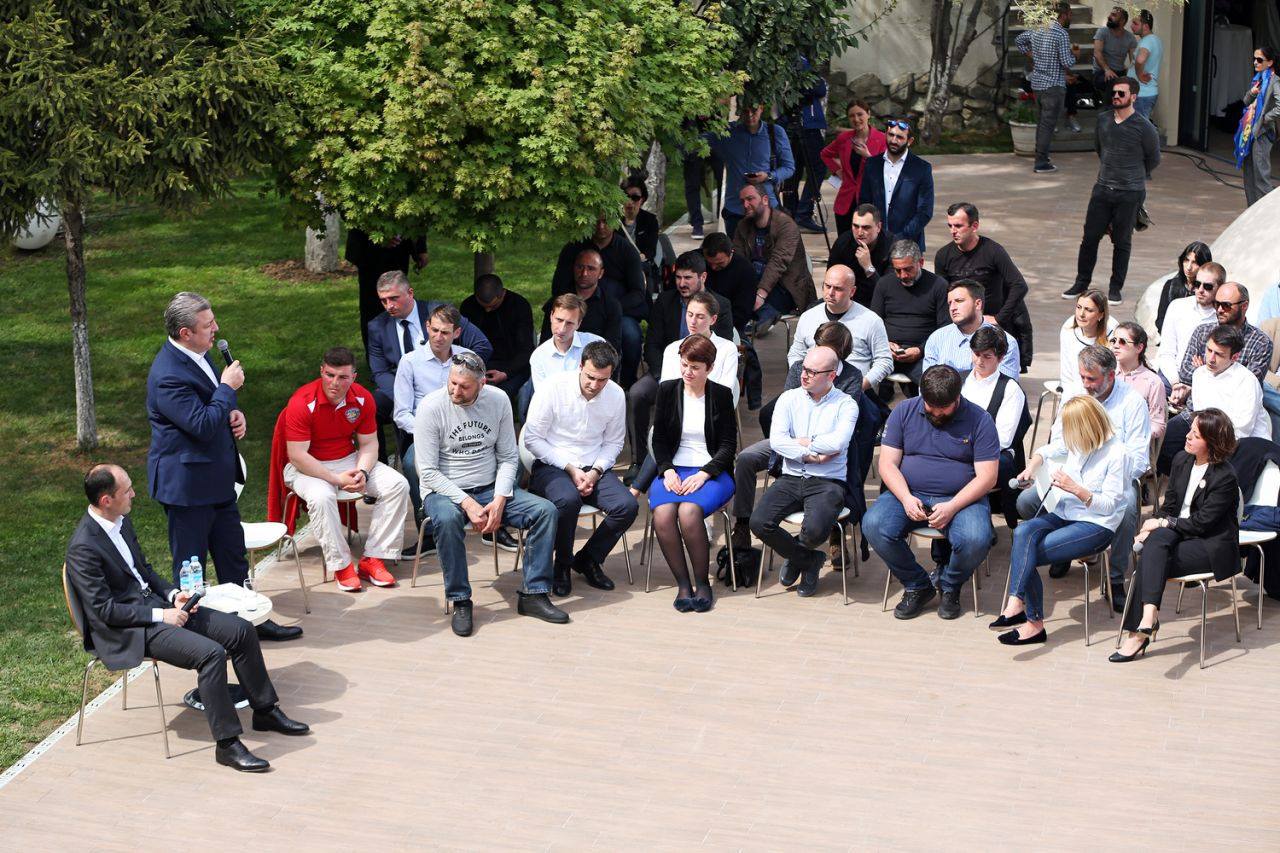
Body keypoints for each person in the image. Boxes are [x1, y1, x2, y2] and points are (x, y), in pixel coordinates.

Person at [66, 464, 311, 772]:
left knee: (241, 630)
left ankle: (264, 711)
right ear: (106, 500)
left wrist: (173, 596)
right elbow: (104, 611)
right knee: (211, 654)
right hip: (131, 628)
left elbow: (144, 572)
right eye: (127, 491)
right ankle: (227, 745)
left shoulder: (120, 522)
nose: (134, 494)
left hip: (157, 608)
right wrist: (162, 615)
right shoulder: (84, 548)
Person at [146, 293, 300, 643]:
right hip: (187, 488)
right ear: (185, 333)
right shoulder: (167, 375)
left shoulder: (200, 355)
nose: (216, 328)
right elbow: (200, 424)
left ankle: (251, 623)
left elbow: (210, 407)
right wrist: (228, 388)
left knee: (233, 557)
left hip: (217, 480)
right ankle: (197, 637)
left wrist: (233, 413)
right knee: (192, 569)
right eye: (208, 325)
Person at [414, 352, 568, 637]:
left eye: (464, 386)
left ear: (481, 384)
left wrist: (499, 498)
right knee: (447, 520)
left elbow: (509, 457)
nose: (455, 391)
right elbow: (427, 472)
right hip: (443, 490)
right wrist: (467, 502)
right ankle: (460, 600)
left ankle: (534, 593)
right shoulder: (431, 407)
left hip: (489, 487)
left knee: (545, 511)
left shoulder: (498, 400)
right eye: (452, 383)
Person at [864, 365, 999, 619]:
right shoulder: (904, 411)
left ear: (957, 397)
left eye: (943, 408)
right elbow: (887, 464)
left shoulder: (980, 420)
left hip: (961, 498)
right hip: (909, 492)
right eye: (930, 407)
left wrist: (953, 506)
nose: (936, 413)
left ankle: (950, 585)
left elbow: (987, 477)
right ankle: (917, 585)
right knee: (874, 525)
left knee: (976, 539)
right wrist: (906, 497)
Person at [992, 395, 1128, 646]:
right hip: (1065, 512)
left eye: (1070, 429)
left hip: (1096, 524)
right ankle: (1016, 603)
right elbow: (1046, 450)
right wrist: (1031, 468)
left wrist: (1076, 488)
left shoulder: (1117, 453)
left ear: (1086, 427)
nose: (1067, 436)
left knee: (1027, 554)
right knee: (1022, 533)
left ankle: (1032, 623)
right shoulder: (1077, 441)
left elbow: (1110, 505)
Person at [1021, 345, 1149, 604]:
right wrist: (1038, 459)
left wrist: (1104, 474)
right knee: (1026, 502)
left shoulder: (1133, 403)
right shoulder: (1075, 393)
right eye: (1082, 377)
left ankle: (1115, 578)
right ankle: (1065, 546)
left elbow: (1138, 460)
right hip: (1074, 473)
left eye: (1092, 379)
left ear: (1111, 376)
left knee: (1127, 511)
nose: (1086, 384)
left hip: (1115, 477)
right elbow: (1061, 441)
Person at [1113, 409, 1240, 661]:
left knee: (1151, 557)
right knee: (1155, 544)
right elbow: (1169, 505)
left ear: (1212, 443)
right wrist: (1151, 527)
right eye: (1190, 430)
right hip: (1177, 535)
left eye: (1196, 435)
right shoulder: (1182, 460)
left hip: (1208, 544)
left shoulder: (1225, 476)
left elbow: (1202, 524)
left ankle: (1139, 633)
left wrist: (1161, 524)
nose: (1188, 436)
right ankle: (1148, 618)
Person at [731, 323, 865, 561]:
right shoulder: (798, 371)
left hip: (825, 459)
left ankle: (821, 542)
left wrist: (807, 442)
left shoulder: (851, 380)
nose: (806, 373)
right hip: (794, 448)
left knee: (817, 520)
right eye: (817, 345)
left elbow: (838, 439)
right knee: (746, 458)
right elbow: (782, 431)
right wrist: (805, 450)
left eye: (826, 349)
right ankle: (742, 523)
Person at [282, 347, 411, 592]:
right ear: (322, 371)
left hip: (348, 460)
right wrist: (335, 479)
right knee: (322, 496)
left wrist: (362, 472)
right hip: (306, 467)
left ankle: (374, 558)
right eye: (329, 375)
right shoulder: (302, 401)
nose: (334, 382)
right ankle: (341, 565)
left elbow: (369, 444)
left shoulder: (363, 398)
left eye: (342, 377)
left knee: (397, 484)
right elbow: (297, 456)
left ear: (354, 377)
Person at [524, 341, 637, 598]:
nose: (595, 385)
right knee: (568, 500)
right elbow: (532, 438)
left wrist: (596, 471)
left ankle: (588, 559)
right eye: (590, 377)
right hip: (554, 463)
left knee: (627, 506)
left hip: (593, 464)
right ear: (580, 366)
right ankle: (562, 564)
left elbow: (614, 442)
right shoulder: (553, 387)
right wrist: (570, 468)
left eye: (602, 380)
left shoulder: (616, 394)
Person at [750, 346, 858, 597]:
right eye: (803, 369)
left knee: (815, 531)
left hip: (827, 480)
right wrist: (809, 453)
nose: (804, 375)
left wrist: (800, 441)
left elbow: (838, 442)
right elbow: (777, 441)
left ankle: (797, 557)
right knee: (759, 522)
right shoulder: (788, 399)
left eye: (812, 372)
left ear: (831, 376)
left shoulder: (846, 404)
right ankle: (809, 561)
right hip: (791, 476)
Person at [646, 335, 738, 612]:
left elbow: (728, 446)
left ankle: (702, 583)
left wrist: (705, 474)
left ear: (710, 368)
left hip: (712, 471)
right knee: (663, 514)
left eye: (695, 367)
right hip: (674, 468)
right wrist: (666, 470)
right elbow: (659, 440)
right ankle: (683, 585)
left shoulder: (721, 395)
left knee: (688, 511)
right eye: (684, 365)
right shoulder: (667, 390)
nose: (688, 372)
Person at [366, 271, 492, 458]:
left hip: (448, 378)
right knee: (371, 406)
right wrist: (404, 395)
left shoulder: (440, 312)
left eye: (394, 298)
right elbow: (379, 371)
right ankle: (379, 464)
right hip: (399, 384)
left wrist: (462, 373)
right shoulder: (377, 326)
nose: (389, 306)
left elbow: (481, 345)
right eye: (383, 301)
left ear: (410, 293)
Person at [629, 252, 734, 469]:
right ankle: (639, 461)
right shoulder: (665, 304)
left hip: (706, 387)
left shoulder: (720, 308)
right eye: (678, 277)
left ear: (702, 277)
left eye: (688, 278)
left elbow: (722, 380)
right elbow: (653, 345)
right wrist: (667, 382)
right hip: (669, 375)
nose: (682, 283)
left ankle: (649, 474)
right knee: (638, 394)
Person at [1064, 76, 1159, 305]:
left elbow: (1153, 158)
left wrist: (1132, 174)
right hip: (1103, 189)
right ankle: (1081, 283)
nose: (1116, 96)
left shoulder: (1144, 126)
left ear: (1133, 97)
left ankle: (1115, 288)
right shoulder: (1103, 119)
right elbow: (1100, 148)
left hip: (1130, 192)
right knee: (1089, 238)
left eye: (1121, 93)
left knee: (1122, 241)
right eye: (1114, 93)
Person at [393, 304, 474, 519]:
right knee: (411, 464)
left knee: (506, 460)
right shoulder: (410, 362)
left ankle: (493, 521)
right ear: (427, 326)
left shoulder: (468, 359)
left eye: (445, 332)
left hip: (465, 430)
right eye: (435, 330)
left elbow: (480, 400)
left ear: (457, 333)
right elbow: (401, 414)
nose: (438, 337)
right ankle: (426, 522)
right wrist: (428, 433)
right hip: (425, 435)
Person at [933, 202, 1033, 370]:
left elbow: (1019, 285)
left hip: (991, 324)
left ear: (974, 226)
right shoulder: (943, 255)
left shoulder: (993, 251)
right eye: (950, 226)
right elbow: (943, 294)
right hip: (961, 325)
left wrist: (999, 318)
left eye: (958, 226)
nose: (953, 231)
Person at [550, 219, 645, 386]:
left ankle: (626, 383)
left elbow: (638, 292)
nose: (601, 226)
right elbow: (558, 287)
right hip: (576, 305)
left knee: (630, 334)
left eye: (606, 221)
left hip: (617, 309)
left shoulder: (627, 251)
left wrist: (611, 308)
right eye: (597, 221)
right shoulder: (573, 248)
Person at [787, 264, 893, 394]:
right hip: (810, 390)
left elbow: (884, 361)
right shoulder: (808, 317)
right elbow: (796, 354)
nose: (830, 293)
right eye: (827, 286)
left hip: (853, 390)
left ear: (852, 291)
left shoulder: (871, 320)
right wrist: (803, 379)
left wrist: (860, 385)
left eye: (838, 288)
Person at [962, 326, 1029, 528]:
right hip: (957, 450)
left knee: (956, 474)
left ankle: (974, 523)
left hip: (992, 457)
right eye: (976, 354)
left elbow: (1003, 439)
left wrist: (962, 448)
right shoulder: (959, 380)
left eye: (987, 356)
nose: (979, 361)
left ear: (1000, 358)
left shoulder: (1010, 389)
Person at [1170, 283, 1274, 407]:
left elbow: (1245, 387)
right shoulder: (1202, 331)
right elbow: (1185, 373)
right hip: (1195, 408)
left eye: (1226, 305)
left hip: (1232, 412)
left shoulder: (1261, 343)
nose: (1219, 309)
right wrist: (1224, 373)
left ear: (1244, 306)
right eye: (1216, 304)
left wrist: (1202, 370)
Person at [732, 182, 815, 335]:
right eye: (742, 201)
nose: (745, 205)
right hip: (754, 283)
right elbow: (738, 260)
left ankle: (758, 316)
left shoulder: (786, 225)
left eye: (750, 199)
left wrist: (760, 295)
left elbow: (778, 262)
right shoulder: (743, 226)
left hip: (785, 285)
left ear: (765, 200)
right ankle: (763, 315)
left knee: (743, 304)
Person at [706, 100, 796, 237]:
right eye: (745, 111)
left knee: (767, 248)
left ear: (761, 108)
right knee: (737, 249)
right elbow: (692, 142)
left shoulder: (775, 132)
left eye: (753, 111)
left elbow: (789, 167)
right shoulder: (727, 132)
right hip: (736, 210)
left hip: (766, 208)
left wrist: (768, 176)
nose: (749, 115)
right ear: (739, 111)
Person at [869, 240, 949, 386]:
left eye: (908, 269)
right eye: (897, 270)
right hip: (886, 352)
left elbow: (945, 329)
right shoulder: (884, 284)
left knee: (934, 385)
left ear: (921, 262)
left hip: (923, 354)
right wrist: (884, 344)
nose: (903, 275)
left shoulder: (938, 286)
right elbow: (873, 323)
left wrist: (920, 350)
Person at [1015, 1, 1080, 173]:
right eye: (1070, 14)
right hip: (1053, 86)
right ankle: (1041, 162)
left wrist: (1033, 55)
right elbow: (1066, 62)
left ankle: (1041, 156)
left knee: (1042, 123)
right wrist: (1075, 55)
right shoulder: (1061, 33)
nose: (1071, 17)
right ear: (1063, 15)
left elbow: (1019, 40)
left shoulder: (1038, 29)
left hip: (1038, 85)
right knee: (1047, 125)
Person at [460, 273, 535, 411]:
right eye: (483, 306)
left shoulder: (519, 306)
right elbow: (463, 344)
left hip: (513, 365)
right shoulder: (468, 306)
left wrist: (506, 373)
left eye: (493, 306)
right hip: (478, 363)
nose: (487, 310)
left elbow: (526, 349)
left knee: (498, 396)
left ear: (502, 294)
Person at [857, 118, 934, 251]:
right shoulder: (872, 164)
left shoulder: (922, 168)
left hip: (909, 245)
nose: (893, 140)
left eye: (899, 137)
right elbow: (864, 203)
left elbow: (925, 211)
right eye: (891, 135)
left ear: (910, 141)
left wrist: (901, 238)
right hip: (876, 243)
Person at [344, 229, 427, 349]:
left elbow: (417, 221)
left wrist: (421, 248)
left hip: (399, 252)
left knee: (399, 303)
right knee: (373, 308)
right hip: (369, 252)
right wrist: (379, 238)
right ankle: (375, 352)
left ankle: (402, 348)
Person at [923, 279, 1021, 378]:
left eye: (959, 301)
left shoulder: (1007, 342)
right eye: (950, 303)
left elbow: (1004, 386)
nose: (952, 308)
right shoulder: (937, 338)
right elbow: (927, 383)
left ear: (978, 304)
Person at [541, 249, 624, 363]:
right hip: (558, 362)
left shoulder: (611, 306)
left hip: (596, 365)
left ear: (600, 273)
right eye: (580, 267)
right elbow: (545, 341)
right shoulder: (558, 301)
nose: (584, 273)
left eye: (591, 269)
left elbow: (612, 349)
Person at [1189, 325, 1271, 439]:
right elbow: (1200, 418)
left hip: (1246, 444)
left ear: (1234, 357)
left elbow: (1241, 431)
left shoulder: (1247, 381)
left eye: (1219, 354)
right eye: (1209, 350)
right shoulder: (1199, 374)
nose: (1211, 359)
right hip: (1208, 438)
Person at [820, 102, 887, 236]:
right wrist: (838, 171)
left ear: (868, 114)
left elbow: (887, 169)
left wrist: (868, 156)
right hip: (846, 202)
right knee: (845, 242)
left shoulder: (882, 139)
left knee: (869, 243)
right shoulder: (844, 138)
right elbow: (825, 154)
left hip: (871, 201)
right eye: (851, 116)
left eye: (860, 114)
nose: (856, 119)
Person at [527, 294, 604, 408]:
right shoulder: (539, 356)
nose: (562, 329)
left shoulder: (595, 344)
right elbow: (543, 399)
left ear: (579, 324)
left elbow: (603, 386)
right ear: (551, 316)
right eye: (559, 320)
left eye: (569, 323)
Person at [780, 60, 829, 234]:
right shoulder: (800, 61)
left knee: (794, 170)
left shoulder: (789, 61)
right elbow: (820, 89)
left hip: (793, 125)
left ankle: (792, 214)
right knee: (817, 168)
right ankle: (803, 213)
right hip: (805, 125)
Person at [826, 203, 895, 307]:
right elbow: (829, 281)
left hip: (879, 303)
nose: (859, 232)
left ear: (878, 227)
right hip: (847, 301)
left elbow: (887, 292)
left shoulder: (891, 246)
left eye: (866, 227)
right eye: (855, 226)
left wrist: (868, 267)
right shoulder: (843, 243)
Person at [1238, 46, 1280, 207]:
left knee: (1261, 177)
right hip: (1249, 131)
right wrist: (1252, 93)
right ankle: (1251, 211)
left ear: (1270, 62)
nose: (1255, 62)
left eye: (1260, 60)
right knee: (1248, 174)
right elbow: (1245, 101)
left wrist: (1264, 119)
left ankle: (1268, 214)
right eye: (1254, 59)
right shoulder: (1258, 79)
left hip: (1262, 133)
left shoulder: (1275, 81)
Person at [1111, 321, 1166, 440]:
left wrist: (1136, 435)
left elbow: (1158, 425)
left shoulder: (1153, 381)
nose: (1115, 345)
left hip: (1135, 443)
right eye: (1113, 340)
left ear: (1139, 348)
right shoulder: (1107, 373)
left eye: (1122, 342)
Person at [1059, 289, 1117, 398]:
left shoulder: (1114, 334)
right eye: (1078, 307)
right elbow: (1066, 373)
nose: (1081, 314)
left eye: (1089, 310)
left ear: (1101, 315)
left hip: (1104, 395)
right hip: (1074, 393)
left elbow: (1114, 375)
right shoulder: (1068, 328)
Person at [702, 231, 757, 335]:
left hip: (731, 324)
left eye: (720, 263)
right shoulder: (697, 260)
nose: (713, 267)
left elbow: (743, 311)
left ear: (731, 252)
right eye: (709, 263)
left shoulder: (745, 270)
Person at [1154, 241, 1212, 333]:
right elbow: (1161, 320)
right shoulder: (1171, 285)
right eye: (1186, 260)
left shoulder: (1209, 290)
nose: (1188, 267)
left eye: (1195, 263)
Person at [1092, 7, 1137, 96]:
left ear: (1122, 21)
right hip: (1101, 72)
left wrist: (1133, 74)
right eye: (1110, 14)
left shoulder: (1130, 38)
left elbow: (1133, 61)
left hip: (1119, 72)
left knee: (1130, 84)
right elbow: (1097, 53)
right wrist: (1107, 69)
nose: (1109, 16)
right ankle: (1108, 105)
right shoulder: (1102, 32)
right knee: (1113, 82)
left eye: (1113, 15)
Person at [1130, 10, 1162, 120]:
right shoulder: (1154, 40)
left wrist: (1139, 75)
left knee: (1137, 127)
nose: (1131, 26)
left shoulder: (1147, 41)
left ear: (1146, 26)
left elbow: (1140, 60)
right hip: (1144, 93)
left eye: (1135, 23)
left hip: (1142, 94)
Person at [620, 176, 660, 263]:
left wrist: (639, 258)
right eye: (626, 196)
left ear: (642, 199)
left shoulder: (650, 220)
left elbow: (650, 251)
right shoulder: (613, 220)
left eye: (635, 198)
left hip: (640, 264)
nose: (630, 202)